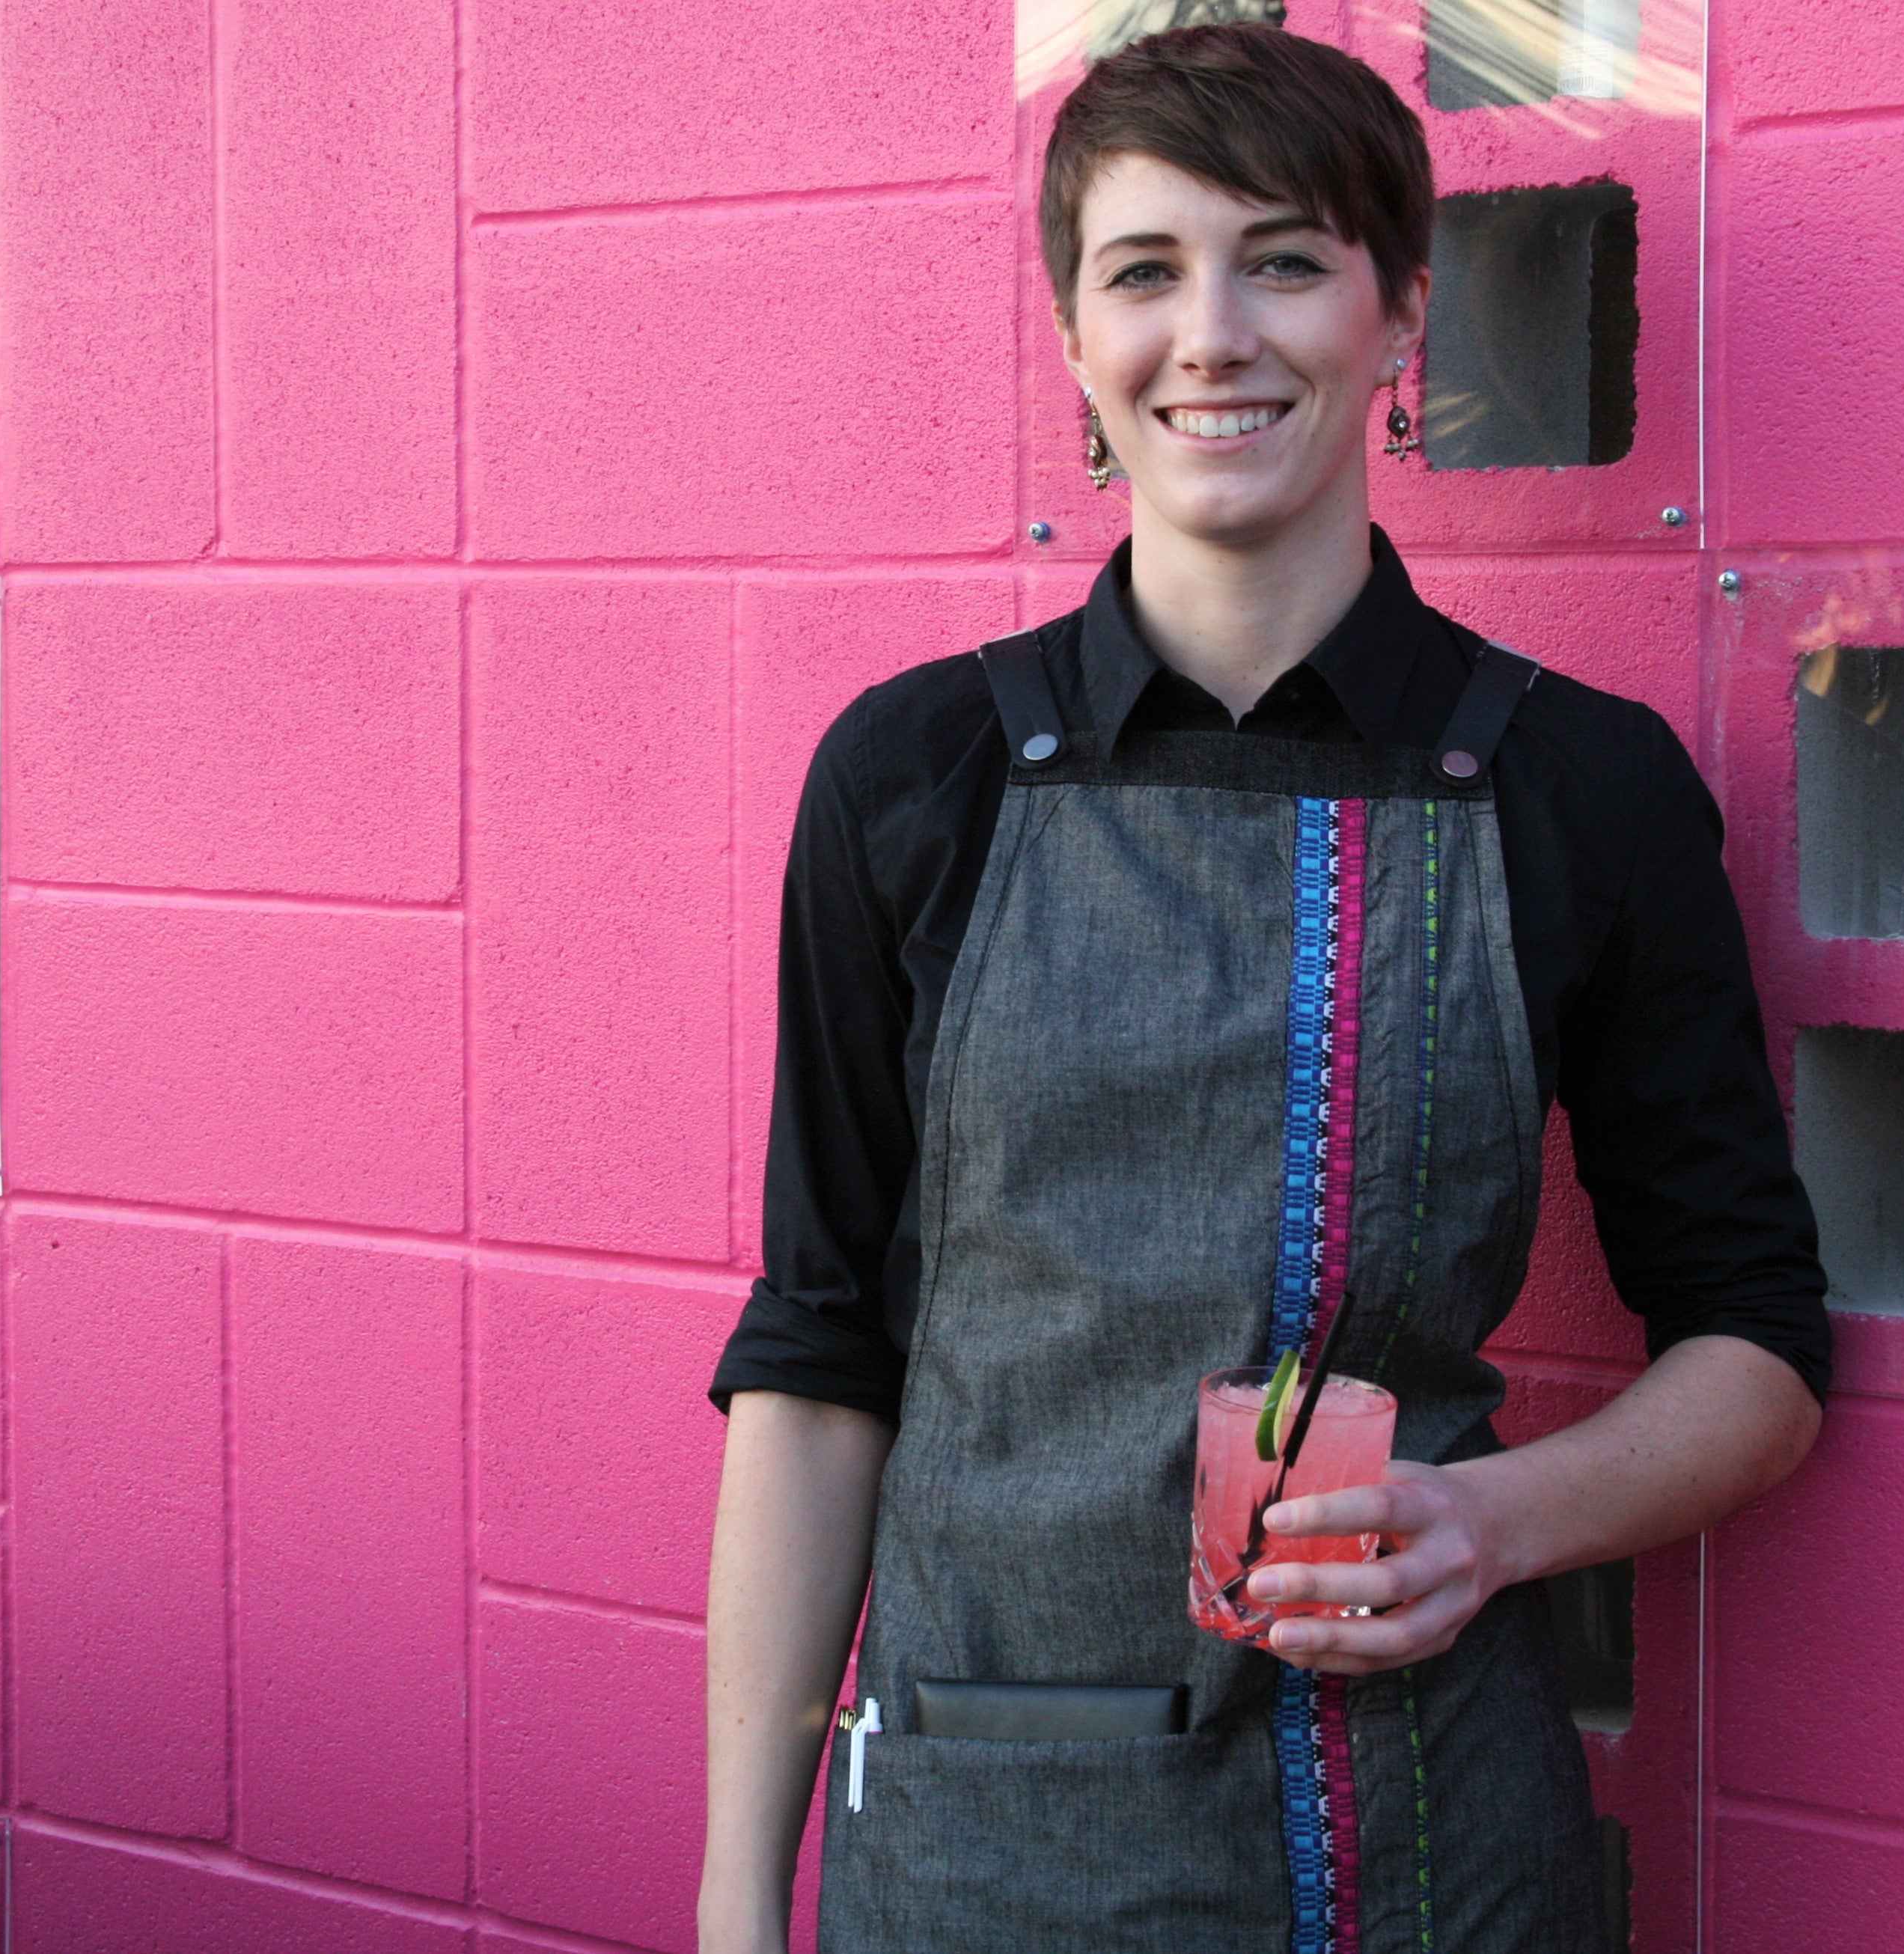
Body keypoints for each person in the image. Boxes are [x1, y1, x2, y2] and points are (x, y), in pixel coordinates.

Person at [699, 24, 1828, 1953]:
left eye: (1286, 259)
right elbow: (817, 1367)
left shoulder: (1580, 785)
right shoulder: (914, 777)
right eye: (1144, 271)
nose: (1212, 333)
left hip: (1429, 1851)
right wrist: (739, 1904)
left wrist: (1502, 1522)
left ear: (1401, 321)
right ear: (1074, 340)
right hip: (982, 1845)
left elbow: (1759, 1350)